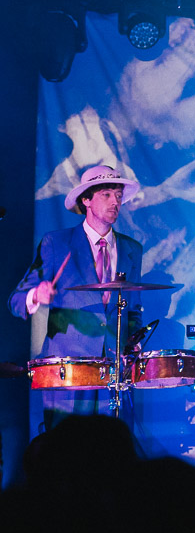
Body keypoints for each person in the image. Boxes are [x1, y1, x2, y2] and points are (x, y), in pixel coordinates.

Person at [8, 165, 143, 427]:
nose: (115, 202)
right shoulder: (56, 244)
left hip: (113, 372)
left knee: (109, 451)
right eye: (106, 194)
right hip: (69, 373)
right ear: (86, 200)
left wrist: (133, 341)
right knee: (66, 454)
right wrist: (37, 294)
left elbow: (133, 309)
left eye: (118, 195)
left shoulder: (131, 249)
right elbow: (15, 301)